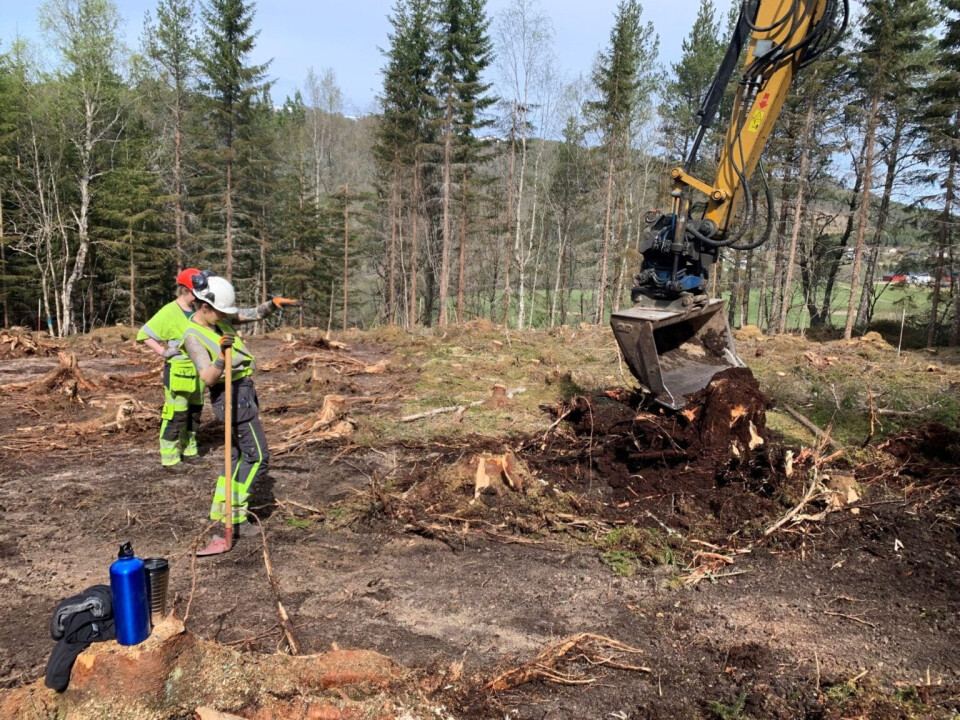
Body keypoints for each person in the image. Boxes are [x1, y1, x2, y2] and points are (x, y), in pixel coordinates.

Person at [181, 274, 300, 554]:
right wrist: (222, 358)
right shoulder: (193, 336)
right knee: (258, 456)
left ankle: (226, 517)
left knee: (235, 458)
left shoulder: (220, 319)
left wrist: (273, 304)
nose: (226, 315)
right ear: (204, 306)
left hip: (243, 391)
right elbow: (208, 378)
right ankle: (234, 512)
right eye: (221, 310)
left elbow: (252, 314)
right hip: (230, 396)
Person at [136, 268, 203, 469]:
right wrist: (163, 352)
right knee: (176, 413)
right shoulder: (169, 311)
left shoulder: (199, 311)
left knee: (194, 412)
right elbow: (145, 334)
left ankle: (189, 450)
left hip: (199, 371)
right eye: (196, 291)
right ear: (185, 290)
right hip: (178, 373)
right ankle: (170, 457)